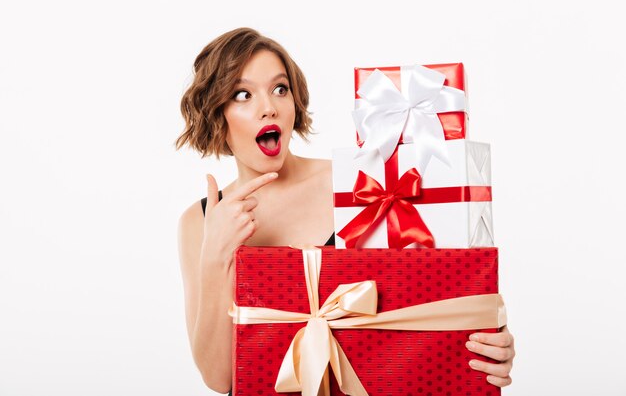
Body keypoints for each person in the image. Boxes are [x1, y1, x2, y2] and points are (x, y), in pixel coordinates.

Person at [175, 27, 515, 394]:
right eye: (243, 95)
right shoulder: (200, 221)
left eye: (280, 89)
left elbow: (424, 292)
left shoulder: (357, 182)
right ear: (216, 114)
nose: (269, 107)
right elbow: (218, 377)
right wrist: (216, 254)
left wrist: (486, 334)